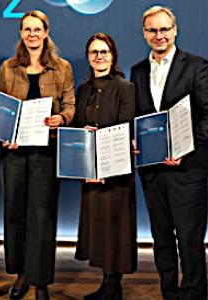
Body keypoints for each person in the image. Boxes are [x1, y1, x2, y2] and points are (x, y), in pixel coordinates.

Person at [130, 6, 208, 300]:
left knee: (190, 241)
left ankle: (193, 296)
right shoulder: (137, 71)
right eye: (152, 30)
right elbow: (137, 117)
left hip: (188, 170)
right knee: (161, 241)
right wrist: (132, 139)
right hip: (152, 170)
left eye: (164, 29)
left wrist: (185, 146)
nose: (159, 35)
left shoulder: (197, 66)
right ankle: (169, 294)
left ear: (175, 30)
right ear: (144, 33)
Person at [0, 10, 75, 300]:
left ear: (46, 32)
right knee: (14, 213)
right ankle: (21, 274)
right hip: (14, 153)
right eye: (27, 29)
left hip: (46, 150)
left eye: (37, 29)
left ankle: (40, 280)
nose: (32, 34)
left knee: (42, 215)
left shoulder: (62, 67)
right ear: (21, 33)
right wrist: (5, 134)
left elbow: (70, 104)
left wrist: (61, 119)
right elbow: (1, 109)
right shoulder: (8, 67)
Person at [72, 33, 136, 300]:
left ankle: (113, 287)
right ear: (88, 57)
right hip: (90, 172)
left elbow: (125, 127)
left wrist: (99, 143)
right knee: (98, 227)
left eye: (104, 52)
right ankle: (107, 284)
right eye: (94, 52)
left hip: (115, 170)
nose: (99, 56)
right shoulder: (82, 89)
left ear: (113, 56)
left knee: (115, 228)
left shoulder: (125, 87)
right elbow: (77, 127)